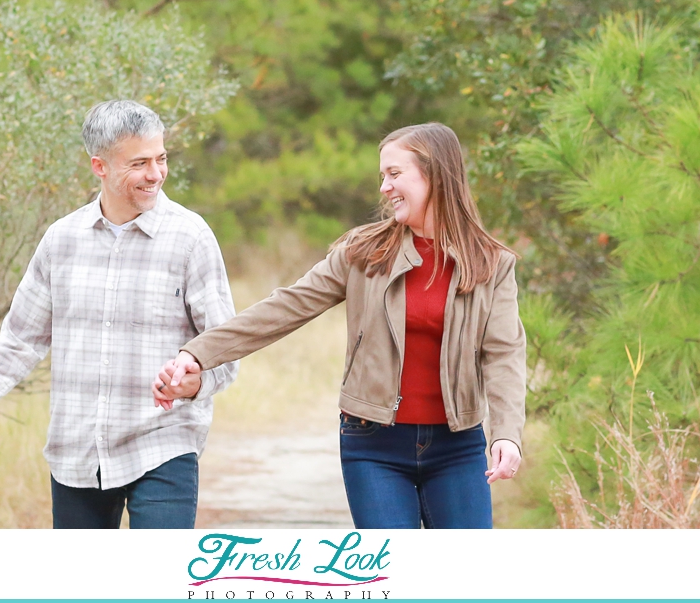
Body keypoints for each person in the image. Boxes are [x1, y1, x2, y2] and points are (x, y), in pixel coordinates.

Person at [152, 123, 525, 529]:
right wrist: (198, 352)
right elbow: (287, 306)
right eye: (382, 176)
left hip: (458, 446)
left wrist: (506, 433)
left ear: (434, 174)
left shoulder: (491, 263)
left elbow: (504, 352)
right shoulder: (363, 253)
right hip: (374, 445)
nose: (384, 187)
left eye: (395, 174)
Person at [0, 99, 238, 528]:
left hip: (163, 447)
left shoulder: (191, 238)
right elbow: (19, 340)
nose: (155, 174)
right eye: (139, 163)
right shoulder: (61, 241)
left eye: (161, 158)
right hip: (75, 454)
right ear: (100, 166)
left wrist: (194, 384)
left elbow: (225, 349)